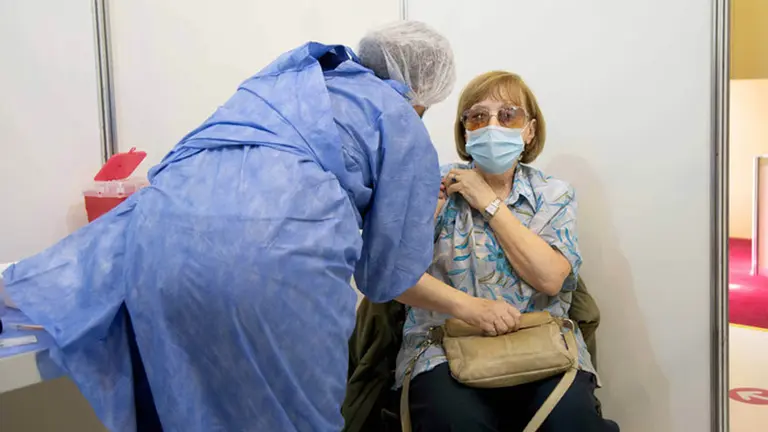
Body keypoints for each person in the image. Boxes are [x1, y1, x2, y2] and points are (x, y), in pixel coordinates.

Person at [1, 21, 455, 432]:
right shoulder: (401, 123)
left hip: (151, 244)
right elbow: (386, 279)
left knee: (172, 402)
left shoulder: (286, 79)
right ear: (425, 94)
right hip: (272, 267)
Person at [393, 71, 620, 431]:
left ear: (529, 130)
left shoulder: (554, 194)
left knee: (571, 424)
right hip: (445, 349)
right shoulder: (432, 184)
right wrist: (473, 308)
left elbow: (549, 279)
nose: (492, 126)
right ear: (465, 132)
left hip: (542, 347)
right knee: (455, 423)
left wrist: (487, 202)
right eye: (478, 117)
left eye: (508, 115)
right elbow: (395, 279)